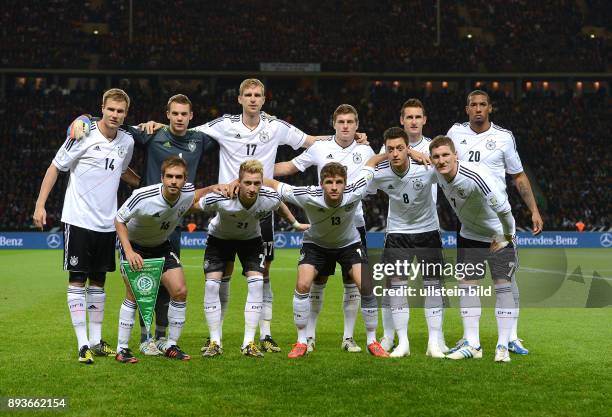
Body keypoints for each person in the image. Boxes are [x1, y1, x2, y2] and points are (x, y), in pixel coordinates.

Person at [143, 79, 376, 353]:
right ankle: (215, 337)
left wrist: (349, 138)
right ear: (239, 98)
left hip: (262, 206)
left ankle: (263, 334)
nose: (253, 99)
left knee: (263, 274)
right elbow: (185, 129)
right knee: (222, 275)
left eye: (257, 95)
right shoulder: (225, 124)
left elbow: (310, 141)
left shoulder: (275, 127)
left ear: (264, 99)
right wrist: (158, 126)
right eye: (248, 95)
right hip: (227, 204)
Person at [67, 94, 219, 356]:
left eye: (184, 114)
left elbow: (231, 137)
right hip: (142, 217)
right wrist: (84, 118)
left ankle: (162, 336)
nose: (180, 118)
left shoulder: (200, 139)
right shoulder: (151, 135)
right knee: (140, 287)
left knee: (169, 284)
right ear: (167, 114)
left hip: (172, 223)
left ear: (191, 117)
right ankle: (144, 338)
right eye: (175, 114)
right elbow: (114, 123)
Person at [33, 88, 137, 364]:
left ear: (126, 114)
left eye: (120, 111)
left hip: (107, 223)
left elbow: (122, 171)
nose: (115, 115)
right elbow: (55, 166)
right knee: (78, 279)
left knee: (99, 282)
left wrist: (147, 184)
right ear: (102, 108)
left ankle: (96, 340)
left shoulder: (127, 142)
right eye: (111, 109)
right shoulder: (82, 133)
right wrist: (40, 205)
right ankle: (82, 345)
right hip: (78, 219)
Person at [446, 90, 543, 355]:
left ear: (490, 108)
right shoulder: (455, 133)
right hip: (468, 222)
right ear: (467, 109)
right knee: (468, 282)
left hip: (498, 223)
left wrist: (533, 210)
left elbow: (519, 177)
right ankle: (470, 340)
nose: (478, 109)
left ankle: (510, 337)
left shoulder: (503, 137)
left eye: (482, 105)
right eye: (473, 105)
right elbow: (437, 156)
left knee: (506, 281)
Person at [264, 155, 390, 358]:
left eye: (338, 182)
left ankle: (372, 341)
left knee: (366, 286)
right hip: (316, 245)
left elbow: (371, 163)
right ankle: (301, 341)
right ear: (321, 184)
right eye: (329, 182)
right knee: (303, 285)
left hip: (349, 245)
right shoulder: (307, 195)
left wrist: (403, 152)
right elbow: (274, 184)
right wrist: (245, 177)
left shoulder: (355, 190)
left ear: (345, 183)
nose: (334, 187)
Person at [274, 104, 375, 353]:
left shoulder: (365, 150)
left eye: (350, 122)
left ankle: (348, 338)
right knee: (317, 282)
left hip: (355, 224)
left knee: (353, 284)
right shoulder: (319, 148)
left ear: (357, 125)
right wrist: (255, 167)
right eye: (341, 121)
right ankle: (308, 337)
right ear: (333, 123)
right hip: (321, 227)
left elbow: (374, 179)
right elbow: (289, 168)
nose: (345, 126)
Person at [195, 160, 308, 357]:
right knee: (212, 285)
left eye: (257, 183)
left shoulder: (268, 197)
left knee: (256, 284)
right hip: (219, 240)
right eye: (248, 183)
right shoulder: (222, 197)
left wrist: (296, 224)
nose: (253, 188)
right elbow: (196, 205)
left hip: (251, 241)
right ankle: (214, 341)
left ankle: (249, 343)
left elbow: (279, 204)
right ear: (238, 182)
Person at [114, 156, 220, 362]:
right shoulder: (142, 196)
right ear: (162, 178)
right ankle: (122, 348)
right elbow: (119, 219)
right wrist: (128, 251)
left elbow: (194, 196)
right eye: (169, 176)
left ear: (184, 179)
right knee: (133, 296)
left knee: (180, 291)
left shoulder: (187, 192)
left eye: (178, 177)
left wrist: (215, 188)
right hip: (135, 247)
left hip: (161, 246)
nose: (174, 181)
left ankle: (171, 344)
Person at [429, 135, 518, 362]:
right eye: (436, 157)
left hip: (497, 234)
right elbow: (416, 162)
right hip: (469, 235)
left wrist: (507, 237)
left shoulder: (476, 176)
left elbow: (505, 211)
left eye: (446, 155)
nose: (441, 161)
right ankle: (473, 344)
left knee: (503, 288)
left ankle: (502, 347)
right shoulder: (436, 172)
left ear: (455, 155)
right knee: (467, 287)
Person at [368, 127, 447, 358]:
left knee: (433, 286)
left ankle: (434, 342)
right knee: (396, 287)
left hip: (428, 232)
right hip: (397, 235)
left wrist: (424, 157)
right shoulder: (381, 173)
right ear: (385, 150)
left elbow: (448, 167)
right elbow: (365, 176)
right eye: (390, 149)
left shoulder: (425, 169)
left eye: (400, 148)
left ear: (408, 148)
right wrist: (380, 157)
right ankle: (403, 343)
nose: (395, 153)